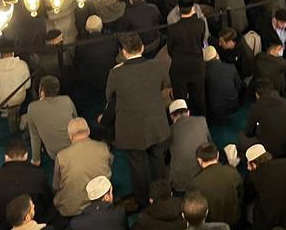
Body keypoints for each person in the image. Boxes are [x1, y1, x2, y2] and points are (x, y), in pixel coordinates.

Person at [100, 32, 171, 208]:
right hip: (156, 123)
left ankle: (143, 201)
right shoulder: (157, 66)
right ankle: (162, 196)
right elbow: (163, 86)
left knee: (137, 167)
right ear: (142, 47)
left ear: (124, 52)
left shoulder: (115, 73)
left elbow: (110, 96)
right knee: (158, 160)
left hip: (131, 128)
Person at [0, 139, 55, 230]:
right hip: (32, 222)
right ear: (26, 155)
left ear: (6, 157)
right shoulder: (39, 175)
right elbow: (48, 201)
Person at [54, 118, 113, 218]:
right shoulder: (103, 148)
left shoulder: (61, 157)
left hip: (73, 209)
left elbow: (56, 185)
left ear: (70, 136)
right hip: (101, 202)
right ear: (88, 131)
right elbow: (109, 168)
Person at [243, 144, 286, 230]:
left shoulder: (252, 176)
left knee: (248, 208)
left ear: (253, 164)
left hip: (273, 224)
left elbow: (247, 197)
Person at [186, 143, 243, 227]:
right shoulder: (233, 173)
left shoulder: (195, 184)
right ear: (218, 155)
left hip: (211, 225)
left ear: (199, 160)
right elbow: (241, 194)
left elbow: (195, 211)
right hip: (234, 221)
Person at [168, 0, 208, 114]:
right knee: (199, 95)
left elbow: (170, 49)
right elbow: (202, 40)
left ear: (179, 9)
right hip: (197, 64)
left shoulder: (173, 29)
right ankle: (200, 119)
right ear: (192, 8)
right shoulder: (200, 23)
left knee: (180, 98)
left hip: (179, 66)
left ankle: (182, 120)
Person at [24, 76, 76, 166]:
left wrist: (36, 159)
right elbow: (76, 121)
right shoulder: (67, 100)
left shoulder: (32, 107)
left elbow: (35, 136)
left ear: (41, 91)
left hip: (55, 154)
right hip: (74, 146)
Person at [168, 99, 212, 192]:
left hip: (181, 183)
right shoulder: (202, 120)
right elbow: (210, 144)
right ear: (188, 112)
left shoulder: (170, 131)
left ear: (171, 116)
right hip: (205, 175)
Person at [0, 43, 31, 133]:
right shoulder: (22, 65)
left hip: (1, 103)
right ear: (13, 52)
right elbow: (28, 85)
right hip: (19, 101)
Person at [240, 78, 286, 157]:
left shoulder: (257, 107)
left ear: (257, 94)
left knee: (241, 138)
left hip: (267, 149)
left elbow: (249, 131)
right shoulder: (284, 101)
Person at [203, 46, 243, 118]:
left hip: (215, 111)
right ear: (217, 55)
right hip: (234, 106)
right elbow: (239, 87)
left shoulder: (204, 73)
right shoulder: (231, 67)